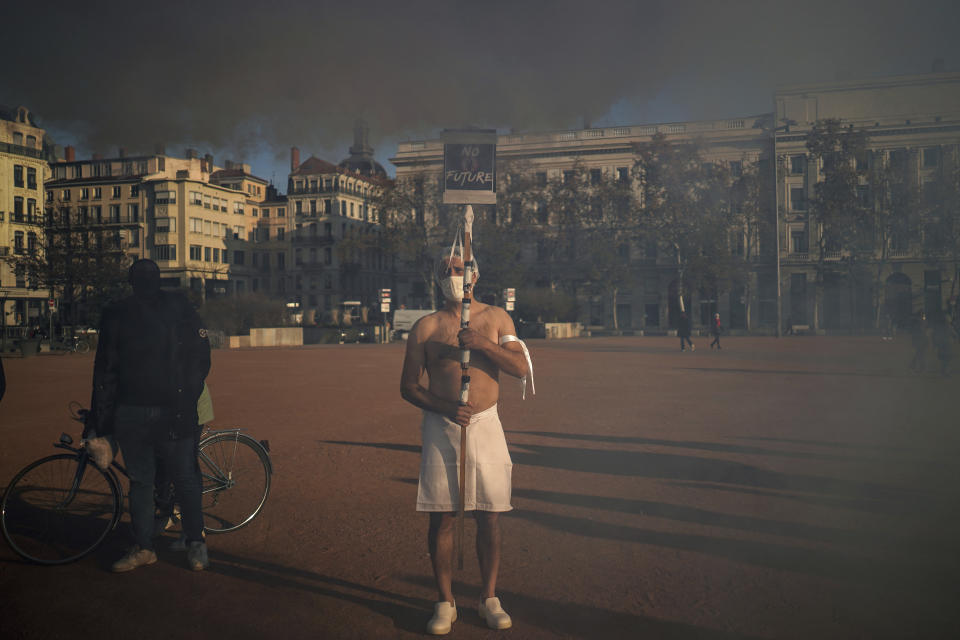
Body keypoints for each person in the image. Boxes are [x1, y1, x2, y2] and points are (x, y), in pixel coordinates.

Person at [400, 250, 532, 635]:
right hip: (441, 427)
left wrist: (482, 344)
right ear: (436, 277)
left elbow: (520, 367)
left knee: (488, 515)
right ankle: (445, 601)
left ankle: (489, 597)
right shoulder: (425, 327)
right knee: (441, 516)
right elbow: (408, 387)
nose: (453, 274)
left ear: (475, 274)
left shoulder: (497, 318)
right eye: (446, 270)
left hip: (487, 425)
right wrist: (442, 406)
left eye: (459, 269)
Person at [85, 259, 211, 572]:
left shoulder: (117, 313)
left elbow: (105, 372)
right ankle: (194, 542)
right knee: (180, 479)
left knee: (145, 482)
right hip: (166, 409)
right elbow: (200, 357)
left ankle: (147, 546)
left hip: (140, 409)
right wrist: (187, 396)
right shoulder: (178, 307)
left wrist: (100, 423)